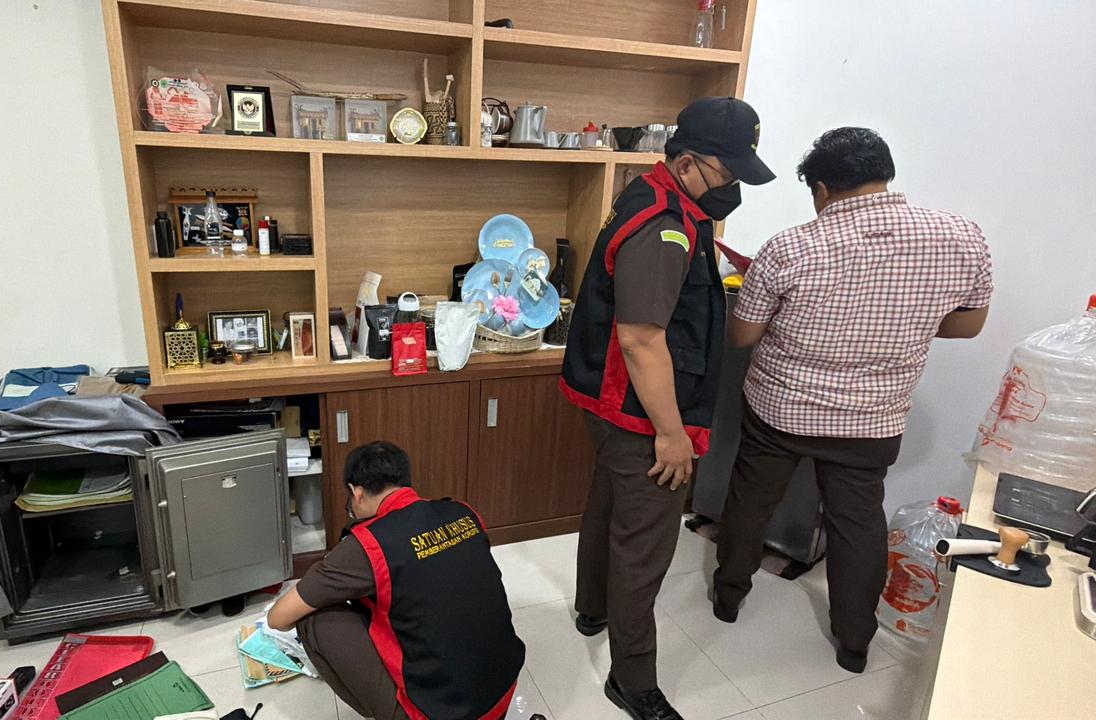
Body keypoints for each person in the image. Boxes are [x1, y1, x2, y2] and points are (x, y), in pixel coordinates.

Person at [712, 127, 993, 673]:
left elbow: (742, 336)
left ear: (820, 189)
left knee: (751, 501)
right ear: (884, 175)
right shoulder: (961, 237)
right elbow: (968, 325)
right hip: (873, 419)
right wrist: (901, 323)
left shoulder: (789, 247)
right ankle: (855, 642)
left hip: (780, 411)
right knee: (857, 522)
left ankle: (728, 598)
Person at [560, 96, 775, 720]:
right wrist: (672, 434)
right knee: (645, 545)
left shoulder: (657, 196)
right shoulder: (664, 227)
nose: (732, 187)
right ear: (685, 163)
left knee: (610, 503)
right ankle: (632, 680)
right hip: (640, 410)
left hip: (614, 402)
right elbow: (640, 339)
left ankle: (592, 608)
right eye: (725, 173)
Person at [267, 441, 526, 720]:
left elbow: (278, 618)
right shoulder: (463, 512)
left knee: (312, 616)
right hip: (502, 693)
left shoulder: (367, 544)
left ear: (357, 492)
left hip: (439, 713)